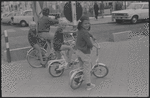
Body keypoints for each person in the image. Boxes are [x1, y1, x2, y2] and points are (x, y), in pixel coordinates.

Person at [75, 15, 98, 90]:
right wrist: (93, 46)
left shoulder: (80, 30)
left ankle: (78, 78)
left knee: (81, 66)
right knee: (87, 69)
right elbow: (89, 43)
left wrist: (92, 36)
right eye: (85, 23)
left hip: (78, 51)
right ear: (81, 24)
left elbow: (87, 34)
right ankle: (88, 85)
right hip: (85, 52)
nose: (87, 25)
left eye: (88, 23)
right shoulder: (84, 32)